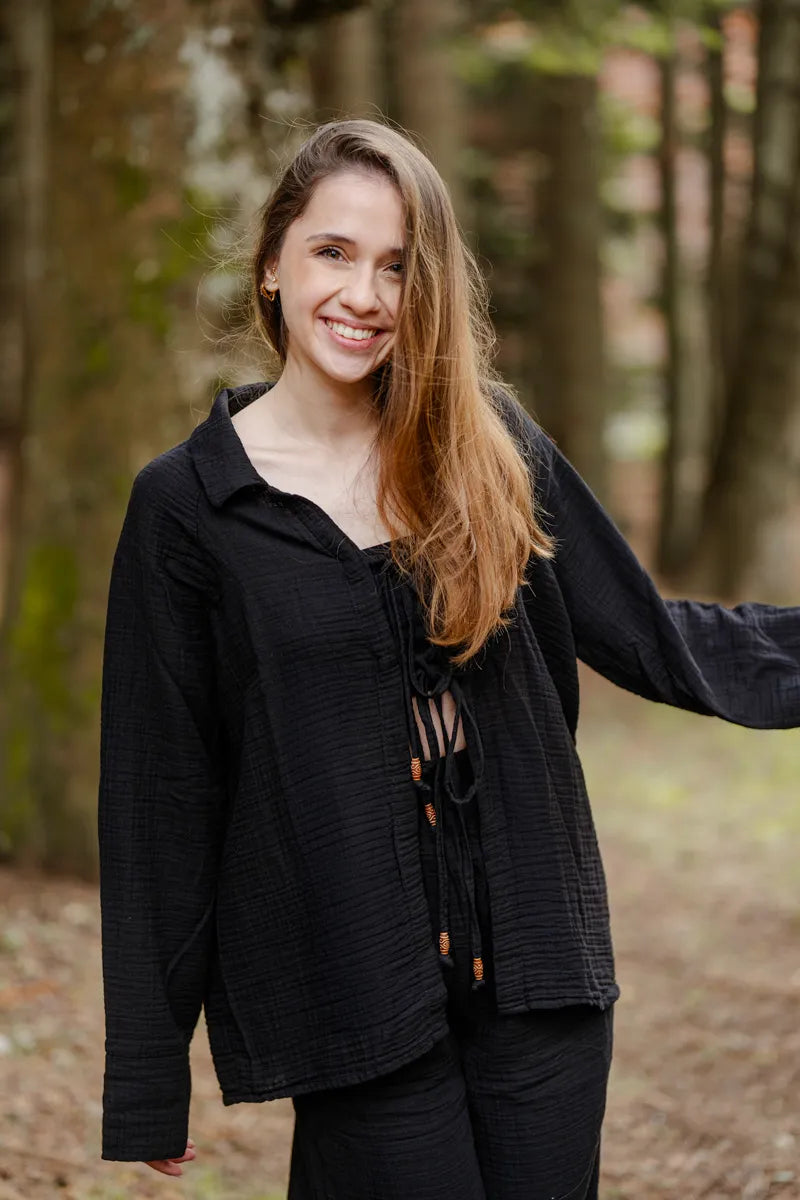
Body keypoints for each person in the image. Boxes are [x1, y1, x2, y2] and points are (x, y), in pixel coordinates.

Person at [97, 118, 800, 1199]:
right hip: (348, 984)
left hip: (540, 977)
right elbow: (163, 796)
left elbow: (653, 638)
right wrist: (148, 1071)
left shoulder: (490, 447)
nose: (364, 295)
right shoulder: (189, 506)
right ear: (273, 262)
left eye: (395, 266)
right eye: (333, 252)